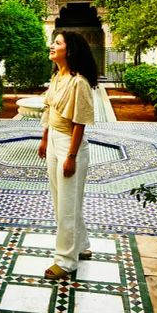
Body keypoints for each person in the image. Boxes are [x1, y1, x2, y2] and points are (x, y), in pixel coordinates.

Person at [37, 30, 97, 280]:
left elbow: (80, 123)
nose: (52, 45)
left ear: (69, 50)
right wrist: (44, 139)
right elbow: (50, 109)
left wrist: (71, 156)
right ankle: (81, 245)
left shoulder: (78, 82)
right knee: (63, 202)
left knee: (67, 206)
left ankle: (65, 260)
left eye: (57, 43)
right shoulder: (57, 76)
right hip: (54, 143)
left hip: (70, 146)